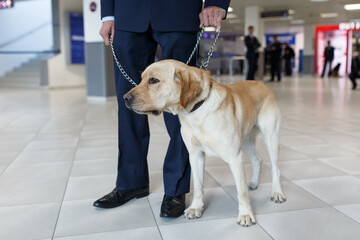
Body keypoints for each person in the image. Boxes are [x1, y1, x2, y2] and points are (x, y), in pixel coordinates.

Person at [94, 0, 231, 218]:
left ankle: (175, 190)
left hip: (179, 11)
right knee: (129, 103)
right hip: (127, 14)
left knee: (181, 104)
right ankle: (131, 182)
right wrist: (107, 15)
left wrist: (217, 2)